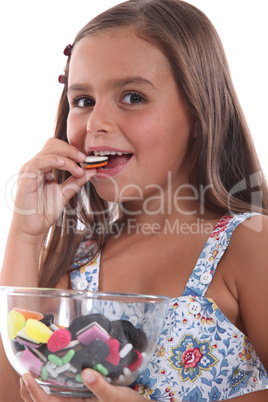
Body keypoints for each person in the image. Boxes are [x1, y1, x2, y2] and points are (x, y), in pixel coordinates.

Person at [1, 0, 268, 400]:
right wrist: (26, 234)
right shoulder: (75, 259)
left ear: (199, 115)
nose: (95, 123)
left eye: (133, 97)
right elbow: (12, 391)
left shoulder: (248, 245)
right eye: (83, 101)